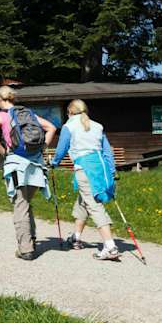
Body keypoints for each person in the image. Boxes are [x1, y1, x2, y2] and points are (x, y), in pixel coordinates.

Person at [0, 85, 58, 260]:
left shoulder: (0, 116)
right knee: (25, 203)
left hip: (17, 164)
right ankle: (30, 240)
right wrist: (42, 148)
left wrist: (3, 151)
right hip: (36, 166)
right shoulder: (30, 115)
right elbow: (52, 128)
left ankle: (25, 249)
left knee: (20, 205)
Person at [51, 98, 120, 261]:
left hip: (84, 169)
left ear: (69, 112)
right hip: (100, 168)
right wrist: (112, 171)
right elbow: (107, 151)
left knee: (95, 205)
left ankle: (110, 246)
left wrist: (54, 163)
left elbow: (62, 148)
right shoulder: (98, 126)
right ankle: (76, 237)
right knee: (83, 202)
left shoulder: (69, 126)